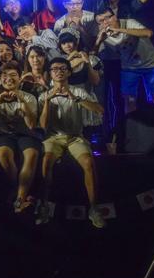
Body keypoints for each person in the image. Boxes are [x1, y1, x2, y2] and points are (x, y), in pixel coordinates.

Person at [37, 57, 106, 228]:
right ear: (50, 74)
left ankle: (94, 208)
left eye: (62, 68)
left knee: (88, 162)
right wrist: (48, 100)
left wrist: (76, 99)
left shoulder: (78, 92)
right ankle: (44, 205)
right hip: (53, 137)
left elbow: (99, 110)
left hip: (75, 137)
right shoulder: (44, 95)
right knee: (46, 161)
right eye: (54, 69)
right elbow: (42, 125)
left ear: (69, 72)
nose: (59, 72)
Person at [0, 62, 41, 214]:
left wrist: (22, 101)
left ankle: (20, 199)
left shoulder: (29, 97)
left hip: (25, 133)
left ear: (20, 78)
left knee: (31, 154)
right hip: (3, 134)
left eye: (13, 75)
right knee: (4, 154)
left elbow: (31, 125)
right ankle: (16, 190)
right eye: (4, 75)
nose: (8, 78)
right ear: (0, 79)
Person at [95, 6, 154, 112]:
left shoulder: (129, 23)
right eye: (101, 21)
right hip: (129, 68)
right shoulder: (103, 35)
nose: (105, 22)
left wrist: (118, 30)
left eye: (108, 18)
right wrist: (99, 41)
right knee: (129, 100)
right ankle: (131, 122)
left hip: (152, 65)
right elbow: (93, 54)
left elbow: (148, 33)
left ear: (115, 16)